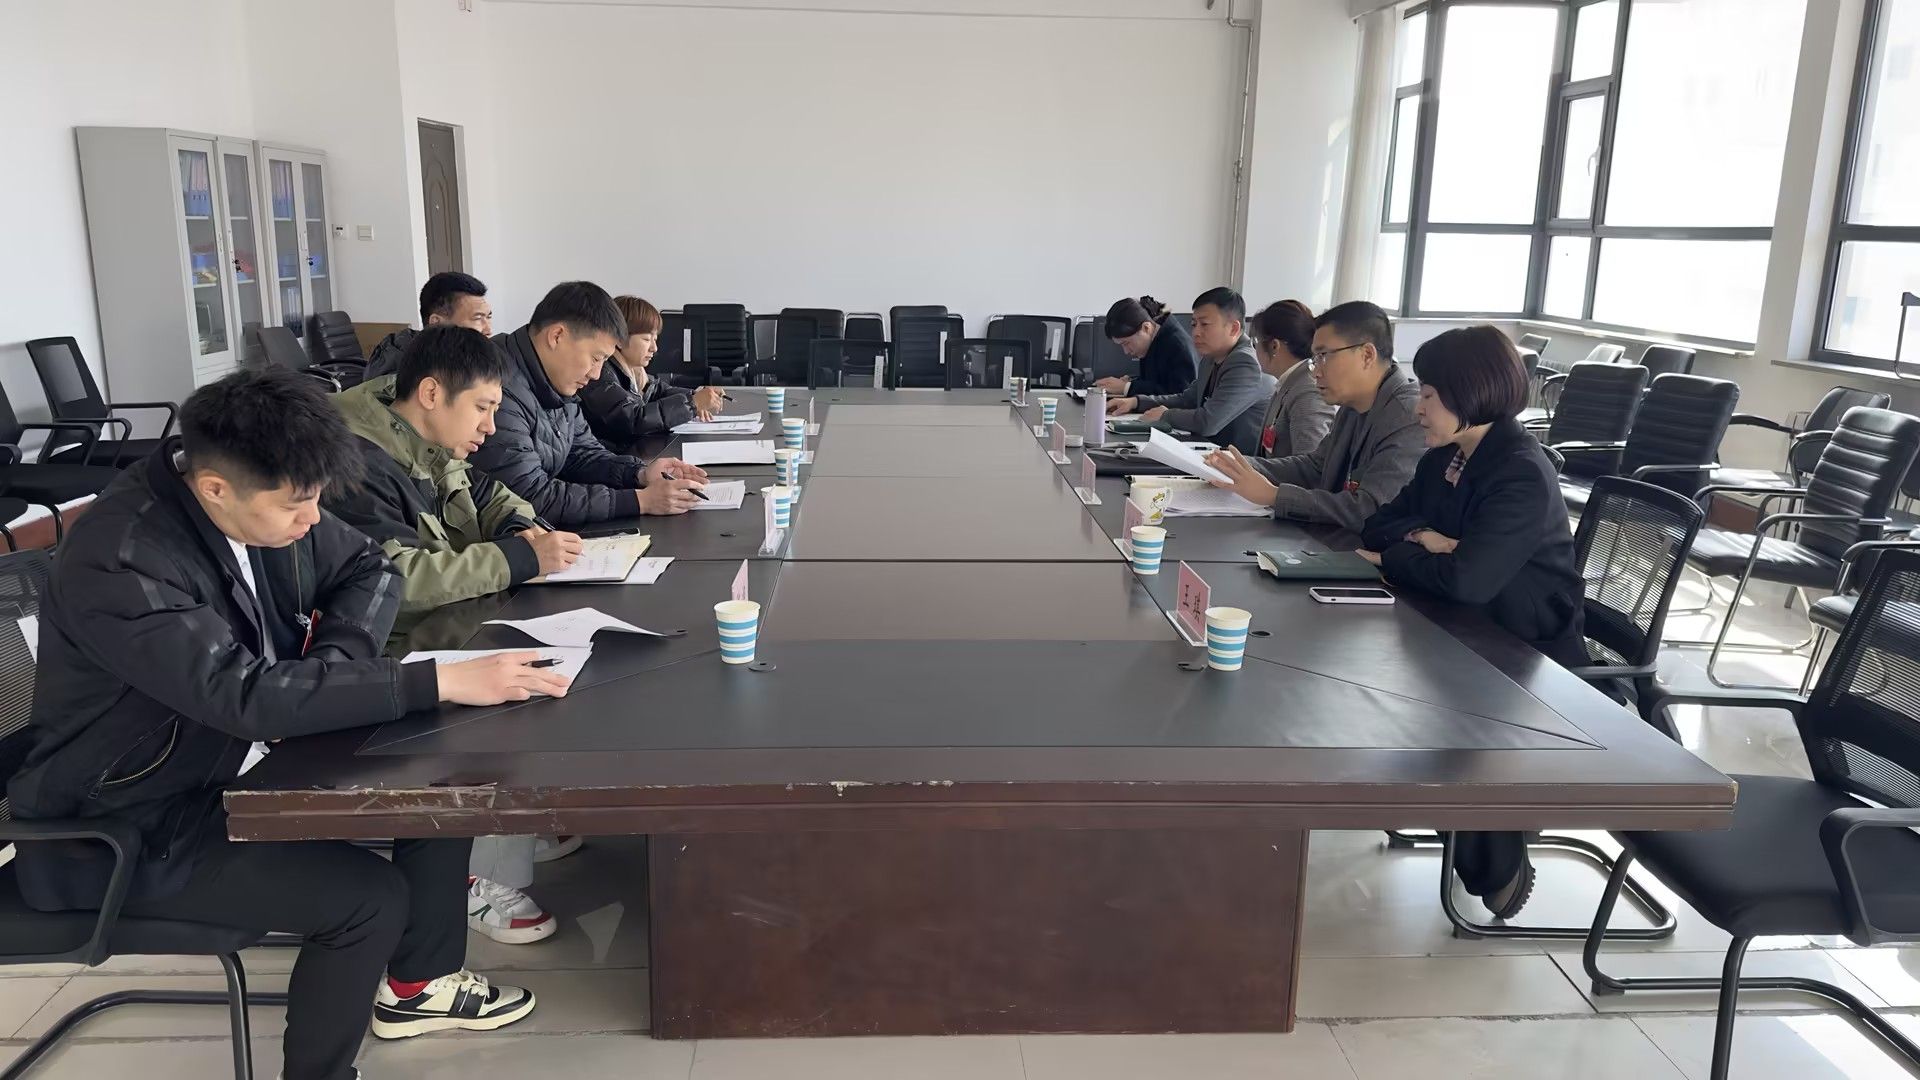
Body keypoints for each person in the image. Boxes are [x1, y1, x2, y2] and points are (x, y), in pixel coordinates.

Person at [9, 367, 570, 1080]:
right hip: (122, 827)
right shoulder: (122, 560)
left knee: (438, 782)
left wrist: (334, 666)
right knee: (367, 898)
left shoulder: (265, 497)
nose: (311, 521)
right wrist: (431, 680)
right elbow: (242, 697)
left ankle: (419, 989)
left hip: (225, 763)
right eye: (298, 506)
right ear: (216, 487)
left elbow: (371, 568)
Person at [327, 326, 587, 946]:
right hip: (377, 649)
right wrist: (518, 560)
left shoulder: (420, 432)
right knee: (511, 695)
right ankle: (472, 876)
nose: (490, 428)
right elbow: (395, 580)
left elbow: (487, 494)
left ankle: (504, 831)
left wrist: (523, 531)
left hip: (436, 626)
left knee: (546, 669)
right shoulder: (357, 463)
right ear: (431, 393)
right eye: (483, 409)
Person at [1355, 325, 1587, 917]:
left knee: (1432, 698)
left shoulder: (1519, 471)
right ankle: (1465, 819)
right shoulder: (1447, 458)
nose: (1418, 405)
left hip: (1524, 645)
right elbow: (1377, 524)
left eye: (1430, 394)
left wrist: (1406, 554)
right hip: (1465, 621)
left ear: (1471, 394)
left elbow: (1467, 580)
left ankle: (1496, 858)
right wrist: (1427, 540)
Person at [468, 280, 707, 525]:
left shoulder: (557, 379)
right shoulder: (495, 384)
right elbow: (528, 497)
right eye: (595, 358)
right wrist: (640, 501)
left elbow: (582, 454)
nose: (596, 374)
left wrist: (640, 474)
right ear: (557, 336)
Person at [1203, 300, 1423, 531]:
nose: (1316, 372)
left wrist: (1274, 495)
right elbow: (1316, 467)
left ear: (1367, 355)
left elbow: (1370, 509)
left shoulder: (1407, 414)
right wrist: (1238, 465)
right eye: (1314, 360)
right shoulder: (1352, 404)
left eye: (1323, 356)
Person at [1105, 287, 1274, 454]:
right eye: (1194, 324)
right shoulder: (1212, 356)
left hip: (1237, 461)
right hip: (1211, 452)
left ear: (1233, 328)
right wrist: (1136, 402)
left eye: (1204, 324)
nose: (1196, 332)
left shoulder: (1245, 363)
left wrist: (1166, 415)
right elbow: (1187, 399)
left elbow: (1208, 422)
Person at [579, 295, 726, 452]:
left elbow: (657, 391)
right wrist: (692, 404)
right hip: (611, 457)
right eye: (646, 339)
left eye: (655, 339)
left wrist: (695, 395)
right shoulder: (600, 375)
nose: (654, 348)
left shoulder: (634, 372)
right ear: (620, 339)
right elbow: (633, 419)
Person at [365, 271, 494, 381]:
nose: (488, 330)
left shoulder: (467, 357)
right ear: (437, 323)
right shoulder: (400, 369)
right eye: (477, 318)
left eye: (488, 317)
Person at [1249, 299, 1335, 458]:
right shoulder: (1290, 382)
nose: (1254, 350)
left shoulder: (1308, 392)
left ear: (1274, 346)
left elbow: (1309, 465)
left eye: (1256, 343)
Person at [1091, 295, 1199, 399]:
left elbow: (1181, 397)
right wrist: (1131, 382)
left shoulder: (1178, 347)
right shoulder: (1153, 339)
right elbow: (1157, 382)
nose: (1126, 351)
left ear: (1146, 328)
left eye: (1126, 343)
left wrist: (1127, 387)